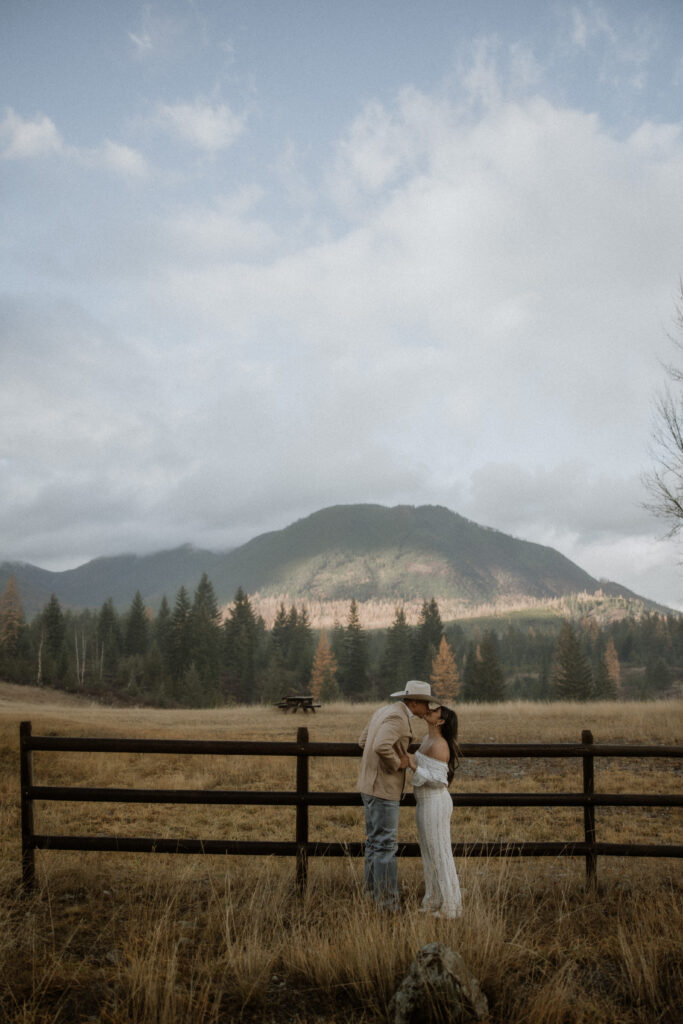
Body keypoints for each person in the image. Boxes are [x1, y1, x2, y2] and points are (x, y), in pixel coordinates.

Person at [357, 679, 436, 911]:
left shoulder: (384, 711)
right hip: (383, 788)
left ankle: (371, 897)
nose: (428, 709)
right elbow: (380, 745)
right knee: (385, 845)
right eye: (425, 704)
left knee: (374, 843)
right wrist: (398, 762)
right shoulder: (399, 718)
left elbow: (363, 741)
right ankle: (387, 904)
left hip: (369, 786)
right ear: (414, 702)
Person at [408, 704, 463, 918]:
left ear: (440, 722)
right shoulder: (427, 739)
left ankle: (450, 906)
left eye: (435, 711)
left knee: (440, 852)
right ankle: (433, 900)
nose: (429, 710)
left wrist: (414, 766)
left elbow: (440, 781)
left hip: (435, 802)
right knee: (429, 852)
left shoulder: (440, 745)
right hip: (424, 802)